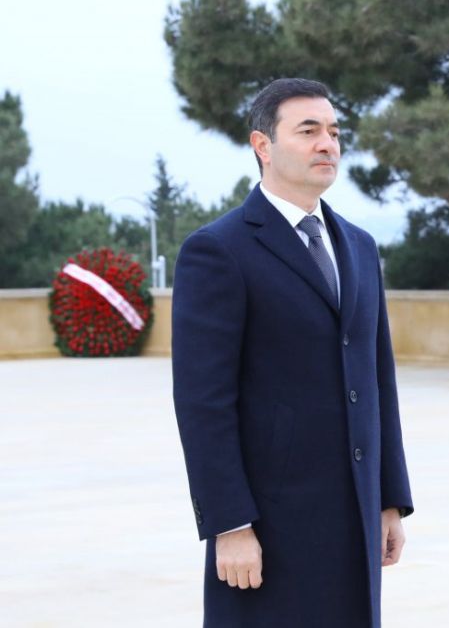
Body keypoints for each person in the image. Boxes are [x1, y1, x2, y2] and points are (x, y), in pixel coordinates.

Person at [171, 77, 413, 627]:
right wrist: (229, 524)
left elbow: (378, 380)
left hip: (354, 517)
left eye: (334, 132)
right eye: (308, 131)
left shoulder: (359, 245)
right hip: (268, 528)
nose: (327, 144)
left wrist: (389, 499)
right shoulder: (218, 251)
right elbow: (203, 403)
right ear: (263, 145)